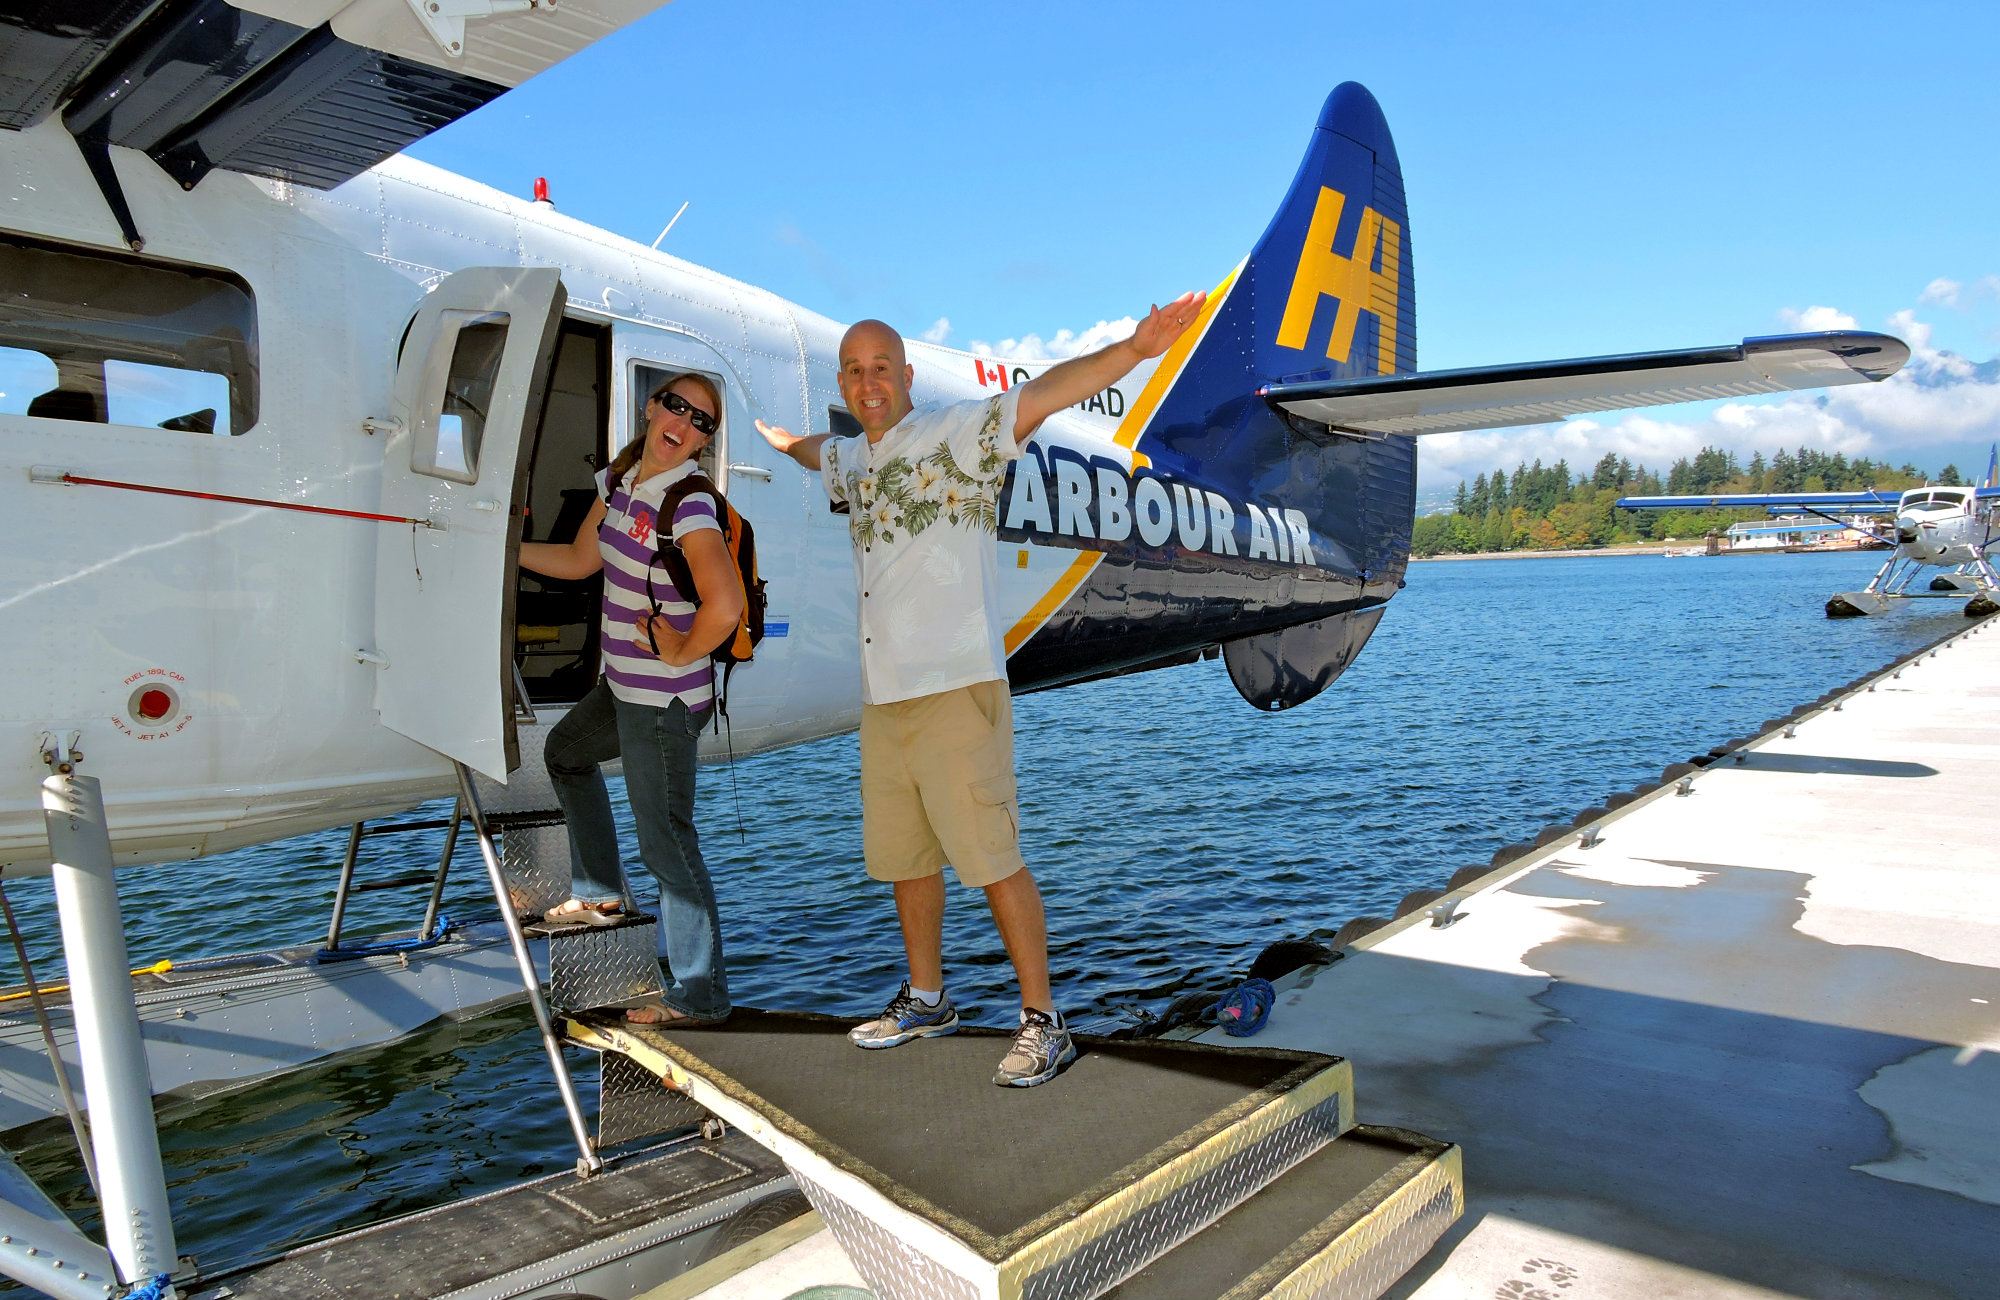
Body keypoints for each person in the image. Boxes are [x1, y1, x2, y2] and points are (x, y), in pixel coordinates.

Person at [755, 294, 1205, 1085]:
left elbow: (1047, 393)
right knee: (908, 858)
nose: (869, 383)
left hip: (955, 686)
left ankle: (1045, 1021)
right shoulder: (853, 457)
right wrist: (786, 440)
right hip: (884, 697)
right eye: (855, 371)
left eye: (882, 369)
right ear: (844, 379)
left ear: (907, 376)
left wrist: (1133, 351)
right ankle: (928, 1000)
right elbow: (817, 450)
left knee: (993, 858)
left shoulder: (956, 434)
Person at [518, 373, 745, 1027]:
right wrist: (509, 554)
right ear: (651, 408)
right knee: (566, 754)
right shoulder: (619, 486)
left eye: (703, 421)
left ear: (704, 441)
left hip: (666, 702)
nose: (686, 423)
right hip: (622, 687)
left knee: (666, 844)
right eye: (676, 406)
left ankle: (701, 994)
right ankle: (599, 897)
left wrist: (678, 649)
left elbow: (724, 605)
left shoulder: (690, 504)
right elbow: (580, 559)